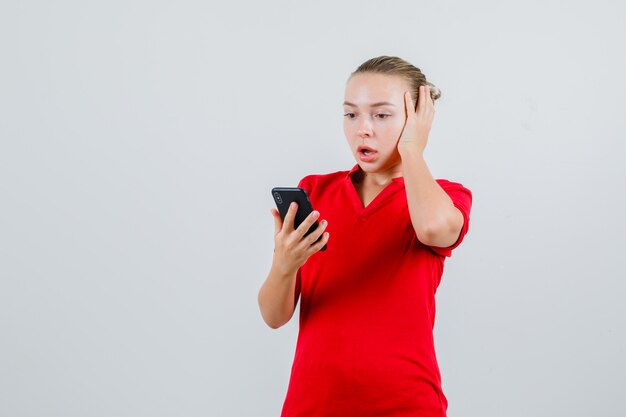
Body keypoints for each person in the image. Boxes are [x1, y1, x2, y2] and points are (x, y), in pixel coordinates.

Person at [257, 55, 473, 417]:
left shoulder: (445, 197)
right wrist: (284, 264)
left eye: (382, 115)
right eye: (351, 114)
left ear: (417, 119)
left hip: (405, 405)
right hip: (313, 404)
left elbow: (435, 229)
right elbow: (274, 316)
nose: (363, 129)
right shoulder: (316, 191)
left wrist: (411, 150)